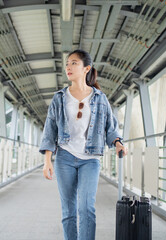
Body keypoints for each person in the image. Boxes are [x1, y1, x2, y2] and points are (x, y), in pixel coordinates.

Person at [39, 49, 127, 240]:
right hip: (65, 158)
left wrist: (118, 142)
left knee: (86, 207)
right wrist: (47, 161)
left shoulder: (99, 98)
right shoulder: (59, 98)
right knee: (69, 210)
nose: (68, 67)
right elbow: (50, 130)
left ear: (86, 68)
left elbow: (110, 126)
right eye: (68, 63)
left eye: (74, 63)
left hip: (90, 159)